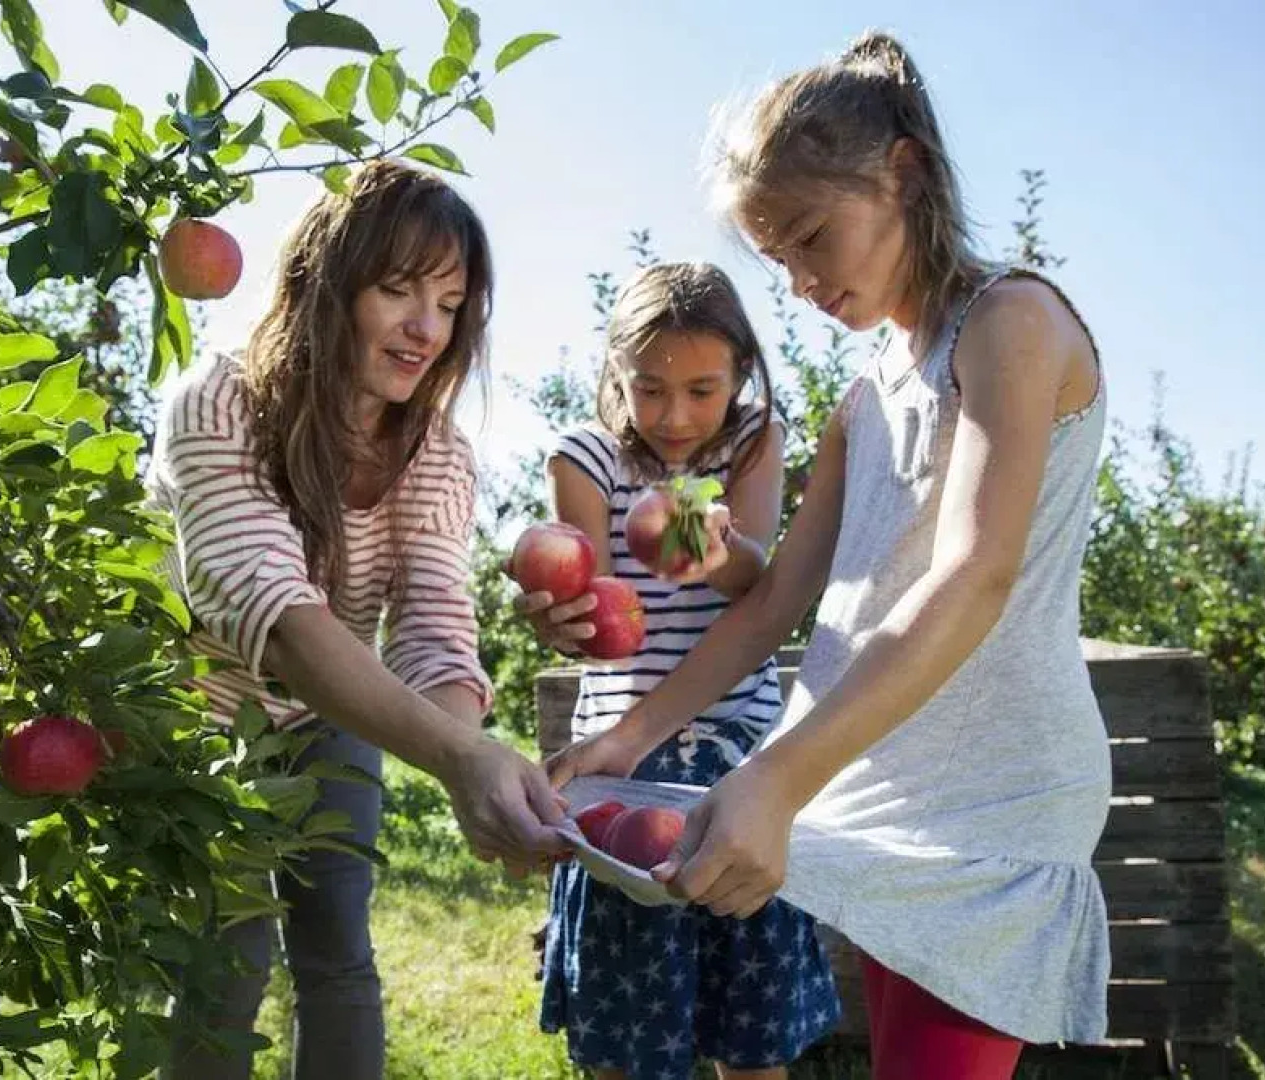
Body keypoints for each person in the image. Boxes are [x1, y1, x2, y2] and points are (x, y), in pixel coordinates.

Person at [547, 31, 1112, 1080]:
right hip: (880, 779)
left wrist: (777, 776)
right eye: (780, 261)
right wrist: (627, 739)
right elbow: (768, 610)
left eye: (812, 237)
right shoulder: (863, 398)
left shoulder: (1011, 323)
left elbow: (975, 573)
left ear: (900, 173)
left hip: (992, 801)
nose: (801, 282)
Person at [147, 159, 567, 1080]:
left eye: (451, 303)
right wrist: (463, 760)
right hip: (204, 707)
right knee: (230, 954)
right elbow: (279, 615)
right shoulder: (217, 405)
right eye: (398, 289)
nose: (428, 329)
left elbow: (431, 623)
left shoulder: (435, 451)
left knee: (338, 945)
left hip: (335, 709)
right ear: (324, 287)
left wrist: (468, 767)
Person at [517, 262, 841, 1080]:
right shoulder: (583, 458)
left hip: (737, 747)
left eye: (701, 389)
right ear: (614, 374)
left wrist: (715, 551)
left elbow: (761, 588)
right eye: (649, 388)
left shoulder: (752, 441)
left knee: (750, 1012)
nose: (674, 415)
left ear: (738, 375)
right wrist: (568, 621)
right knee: (629, 1012)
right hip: (622, 753)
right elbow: (597, 613)